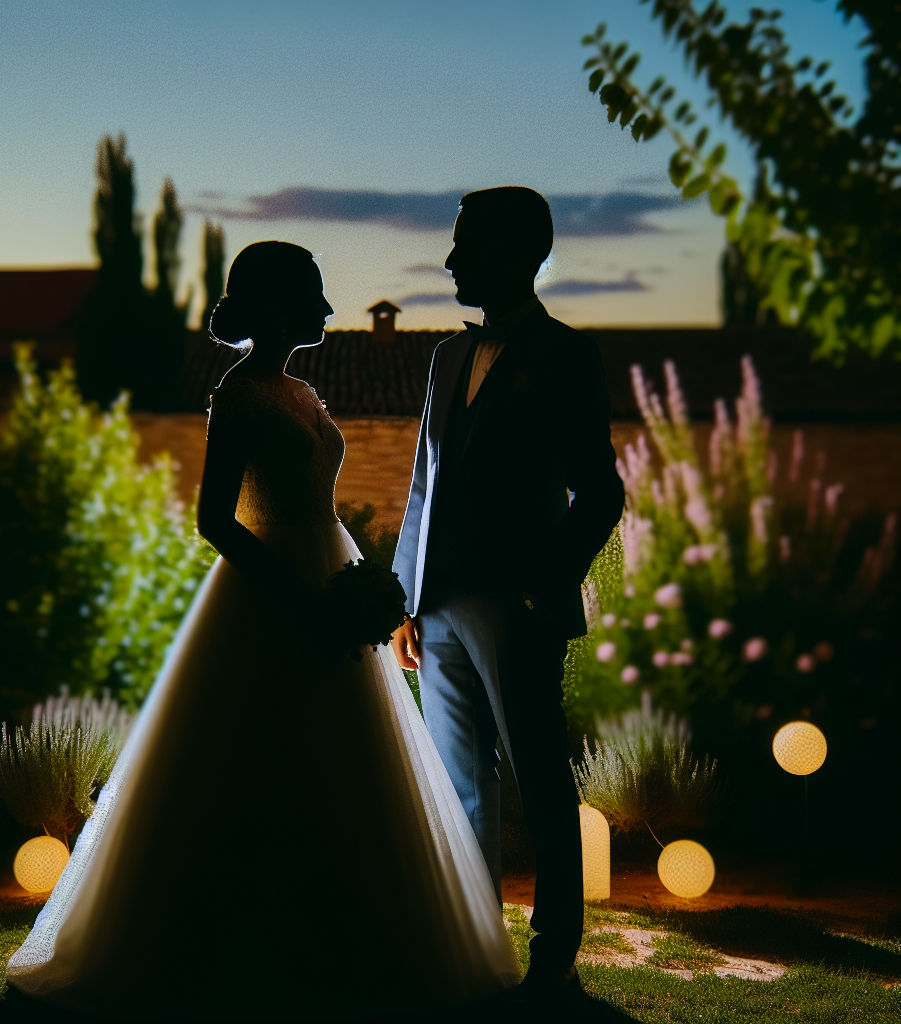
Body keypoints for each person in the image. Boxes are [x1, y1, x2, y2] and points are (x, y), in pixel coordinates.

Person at [0, 241, 519, 1023]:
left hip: (327, 567)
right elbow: (215, 520)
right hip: (266, 592)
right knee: (250, 762)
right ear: (278, 305)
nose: (324, 310)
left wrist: (355, 583)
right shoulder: (239, 395)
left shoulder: (302, 390)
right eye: (312, 296)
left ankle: (342, 941)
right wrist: (301, 600)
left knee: (340, 767)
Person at [390, 188, 626, 1010]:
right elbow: (424, 485)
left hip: (517, 608)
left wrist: (544, 587)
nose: (450, 262)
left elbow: (601, 492)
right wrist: (404, 599)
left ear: (517, 254)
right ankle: (474, 943)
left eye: (465, 246)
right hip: (438, 605)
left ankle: (554, 954)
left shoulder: (566, 355)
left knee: (540, 784)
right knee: (460, 785)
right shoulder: (445, 360)